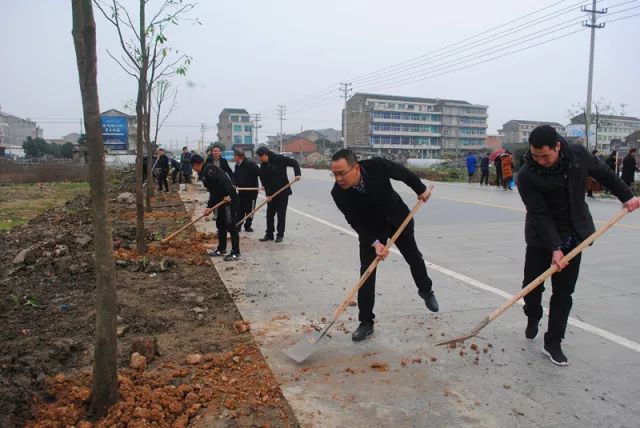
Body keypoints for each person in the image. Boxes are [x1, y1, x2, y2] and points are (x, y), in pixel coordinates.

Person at [517, 125, 639, 366]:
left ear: (558, 147)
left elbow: (604, 174)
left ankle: (553, 343)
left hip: (574, 233)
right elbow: (539, 215)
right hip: (541, 238)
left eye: (545, 156)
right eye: (535, 155)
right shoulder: (526, 176)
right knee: (531, 288)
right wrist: (554, 247)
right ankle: (533, 315)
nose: (540, 161)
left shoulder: (577, 156)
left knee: (564, 292)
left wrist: (627, 195)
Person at [330, 149, 439, 343]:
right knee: (367, 273)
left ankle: (425, 290)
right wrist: (375, 243)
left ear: (356, 168)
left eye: (342, 173)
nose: (338, 178)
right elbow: (354, 221)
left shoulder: (377, 166)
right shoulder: (338, 193)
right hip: (371, 229)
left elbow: (403, 174)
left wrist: (420, 190)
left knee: (413, 257)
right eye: (334, 174)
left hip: (398, 218)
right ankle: (366, 322)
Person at [190, 154, 241, 261]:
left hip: (229, 200)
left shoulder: (210, 169)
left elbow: (225, 180)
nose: (194, 170)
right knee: (220, 224)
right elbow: (213, 192)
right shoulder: (204, 173)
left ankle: (236, 252)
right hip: (221, 201)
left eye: (193, 167)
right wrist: (210, 207)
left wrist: (227, 194)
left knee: (231, 225)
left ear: (196, 165)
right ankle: (221, 249)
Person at [255, 146, 301, 243]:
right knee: (269, 214)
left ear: (264, 155)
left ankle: (280, 235)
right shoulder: (263, 165)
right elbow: (264, 180)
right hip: (271, 193)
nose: (259, 159)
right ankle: (269, 234)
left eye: (260, 157)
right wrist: (267, 194)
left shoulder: (279, 159)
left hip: (283, 191)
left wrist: (297, 174)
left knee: (281, 214)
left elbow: (294, 163)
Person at [233, 148, 261, 232]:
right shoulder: (237, 165)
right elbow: (235, 176)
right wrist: (233, 185)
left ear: (238, 156)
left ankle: (248, 225)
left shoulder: (251, 164)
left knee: (250, 209)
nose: (233, 158)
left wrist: (264, 185)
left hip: (251, 191)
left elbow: (260, 173)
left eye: (234, 156)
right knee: (240, 208)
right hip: (242, 190)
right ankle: (238, 225)